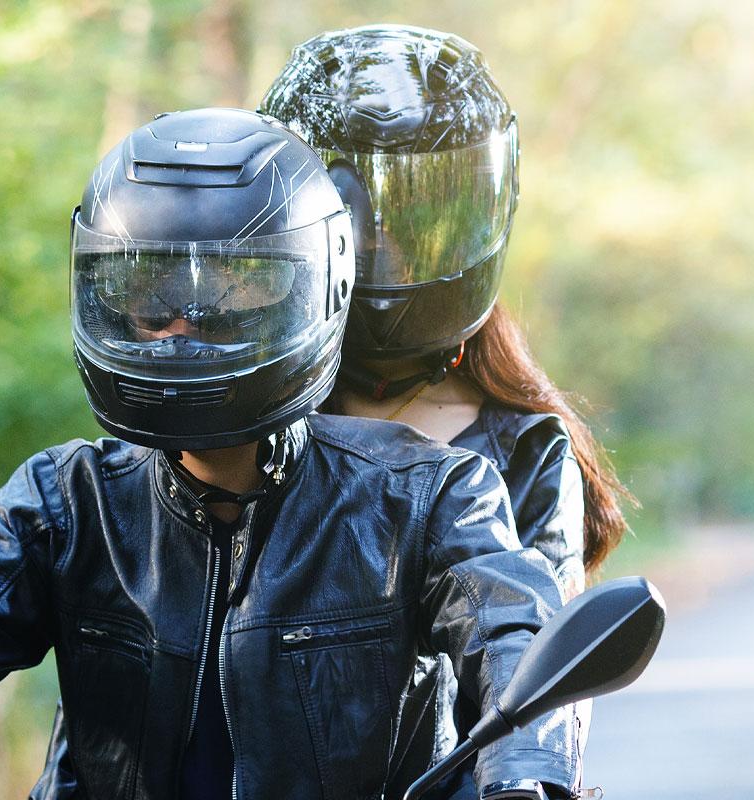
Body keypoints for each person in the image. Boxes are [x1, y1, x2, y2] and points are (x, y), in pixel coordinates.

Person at [0, 108, 569, 800]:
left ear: (316, 289)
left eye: (226, 298)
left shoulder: (422, 496)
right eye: (149, 303)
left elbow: (513, 632)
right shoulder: (66, 504)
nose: (179, 333)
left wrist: (527, 777)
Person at [256, 25, 635, 800]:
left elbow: (534, 688)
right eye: (361, 217)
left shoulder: (525, 452)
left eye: (414, 223)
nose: (385, 245)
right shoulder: (248, 427)